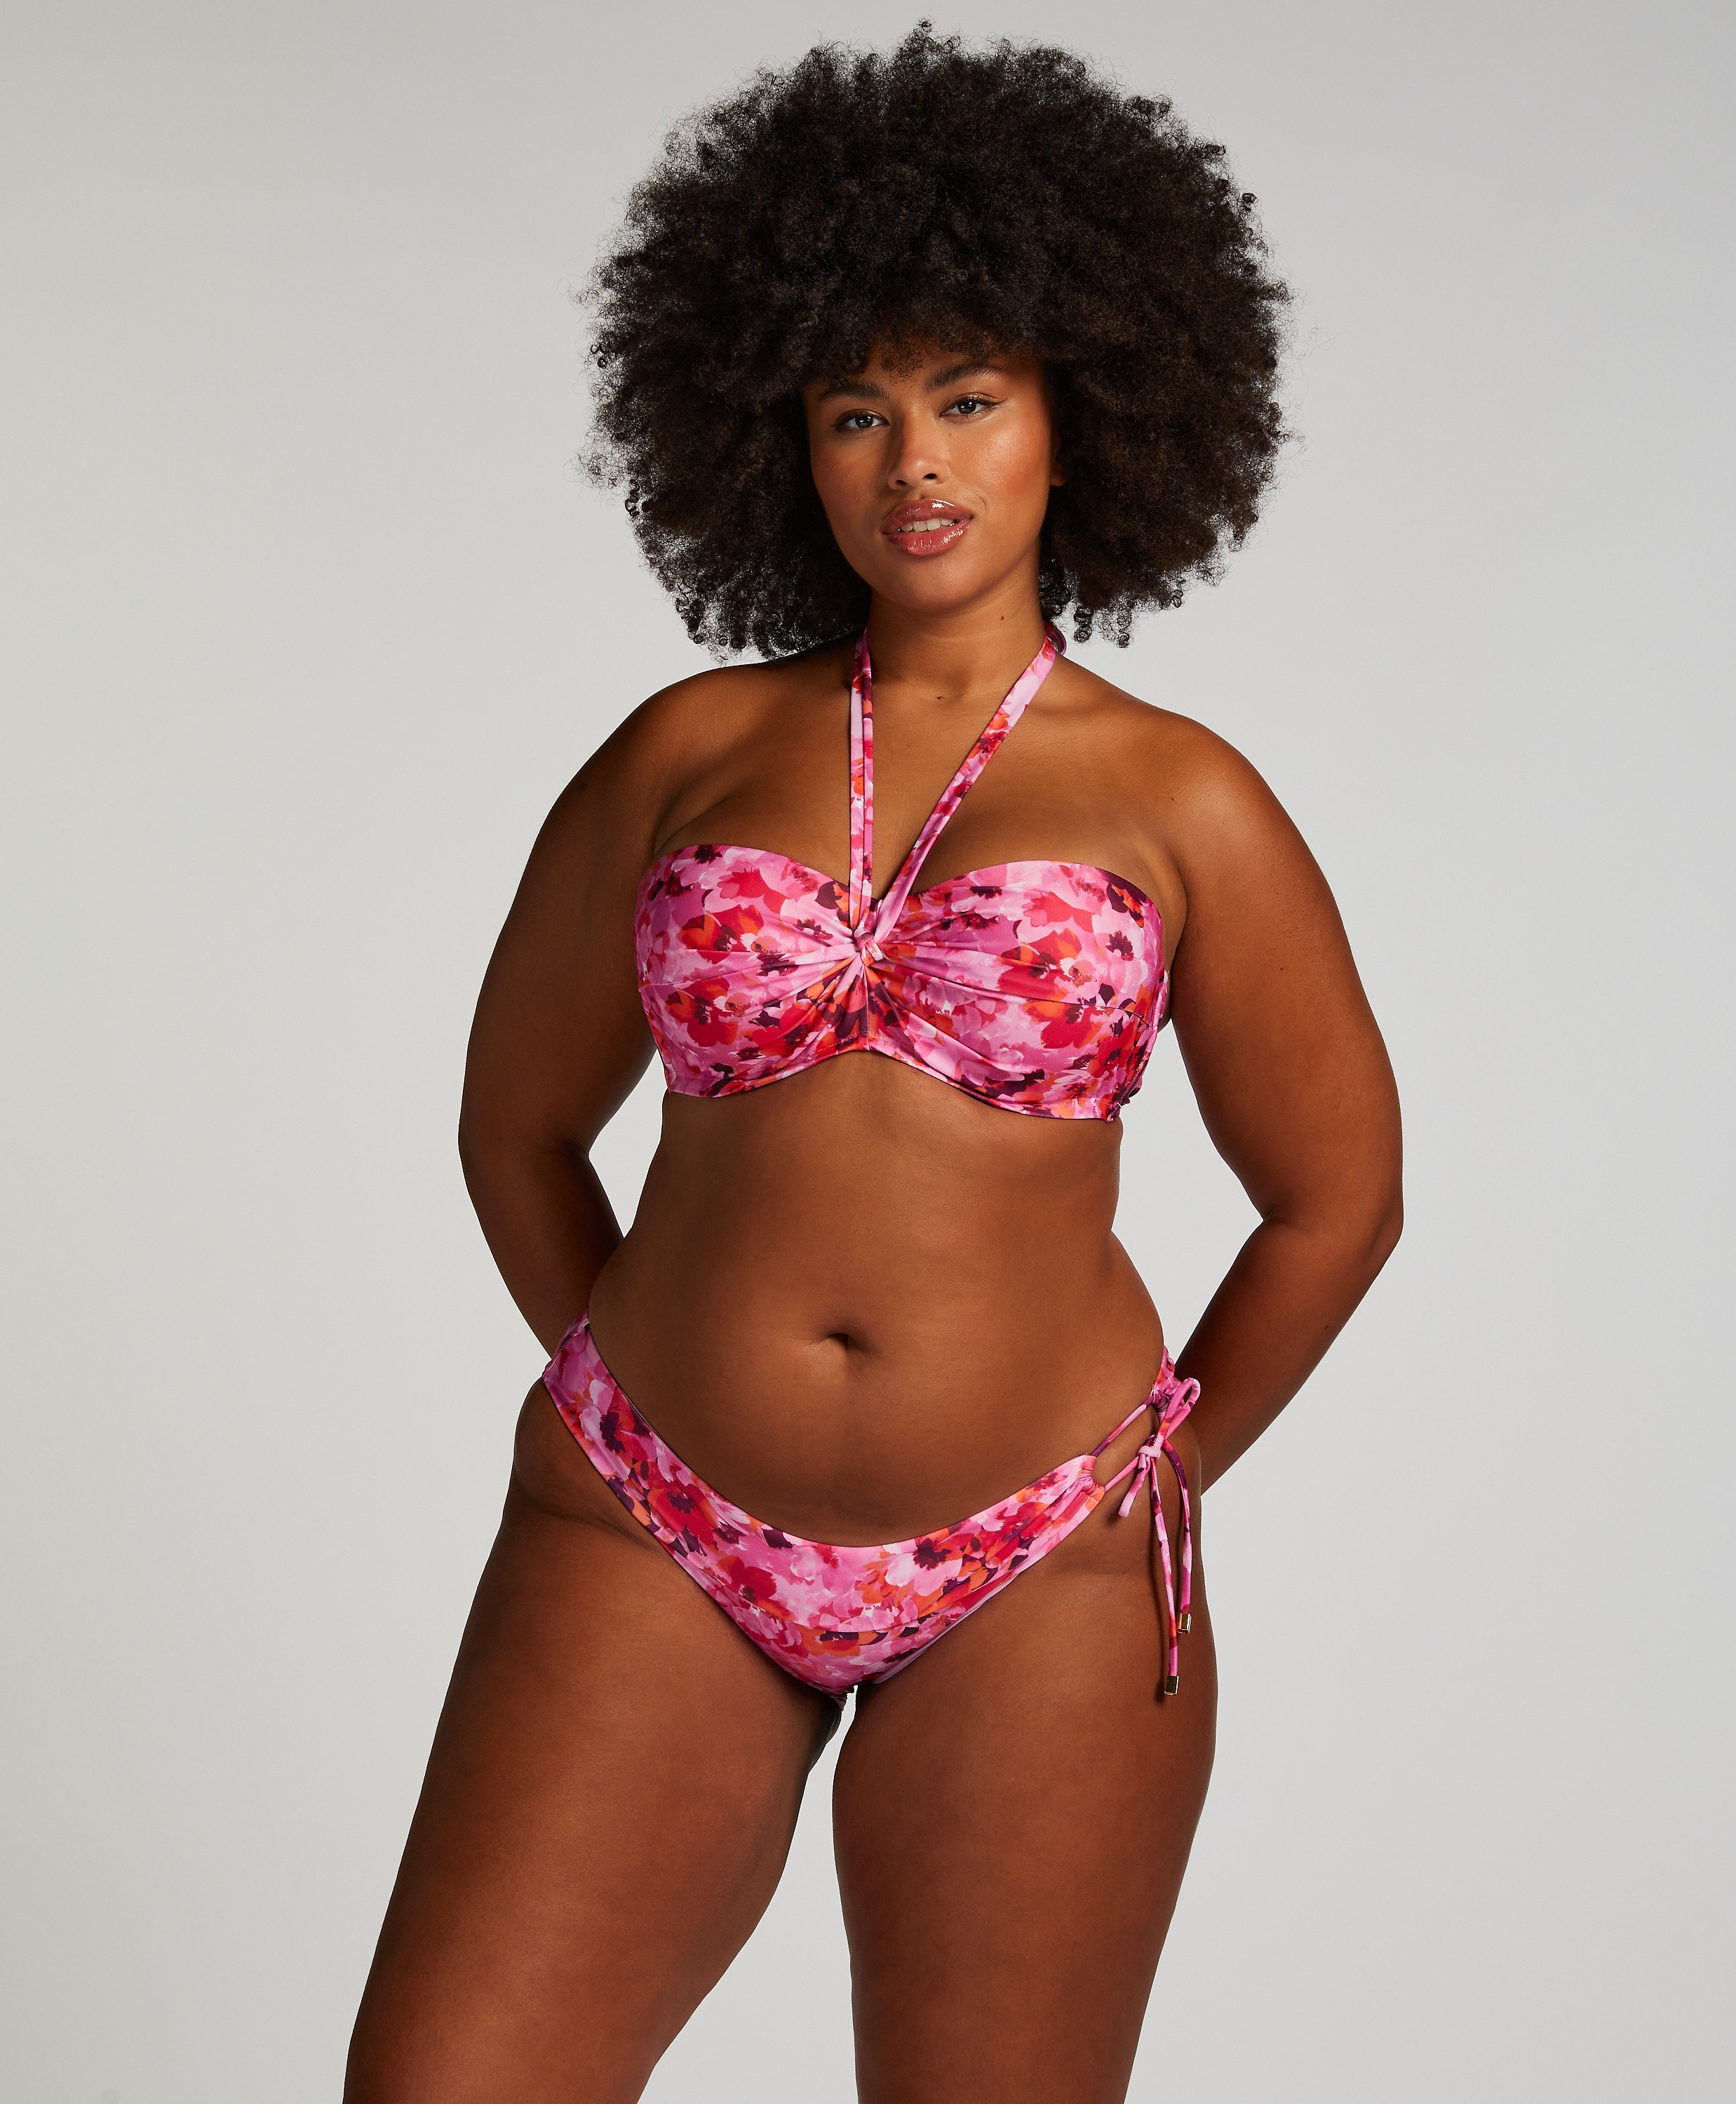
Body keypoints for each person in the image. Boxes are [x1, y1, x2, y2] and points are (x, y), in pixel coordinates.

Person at [346, 26, 1401, 2103]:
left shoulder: (1182, 798)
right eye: (856, 411)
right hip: (649, 1522)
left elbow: (1338, 1196)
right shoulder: (686, 750)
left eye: (967, 398)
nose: (913, 461)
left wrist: (1158, 1470)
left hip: (1035, 1566)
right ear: (788, 448)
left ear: (1081, 418)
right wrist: (641, 1378)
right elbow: (515, 1121)